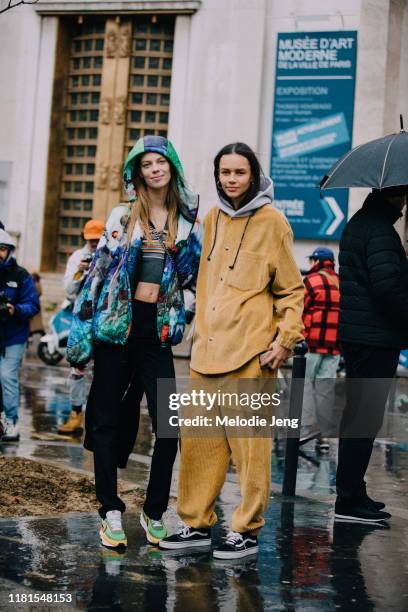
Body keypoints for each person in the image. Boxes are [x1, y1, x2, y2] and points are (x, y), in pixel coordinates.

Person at [160, 142, 304, 559]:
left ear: (254, 175)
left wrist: (283, 341)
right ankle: (196, 525)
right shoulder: (212, 218)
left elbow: (292, 291)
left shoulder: (274, 221)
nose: (232, 179)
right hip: (206, 351)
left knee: (250, 449)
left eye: (240, 172)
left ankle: (246, 529)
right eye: (225, 172)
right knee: (200, 445)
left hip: (251, 353)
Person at [67, 135, 201, 549]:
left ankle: (154, 510)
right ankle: (109, 510)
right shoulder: (122, 217)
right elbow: (100, 274)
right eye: (147, 164)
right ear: (137, 173)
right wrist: (82, 330)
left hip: (156, 335)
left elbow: (193, 277)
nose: (155, 169)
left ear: (172, 167)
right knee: (104, 422)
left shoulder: (187, 220)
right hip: (116, 330)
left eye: (161, 162)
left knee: (168, 427)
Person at [335, 186, 408, 523]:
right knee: (364, 417)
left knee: (359, 416)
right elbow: (387, 286)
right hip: (374, 337)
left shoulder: (360, 224)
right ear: (392, 197)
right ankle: (349, 499)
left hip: (360, 334)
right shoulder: (379, 231)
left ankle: (353, 491)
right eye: (403, 196)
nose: (405, 202)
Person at [58, 219, 104, 435]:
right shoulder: (77, 257)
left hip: (105, 320)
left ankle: (97, 419)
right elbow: (68, 289)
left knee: (102, 371)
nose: (94, 244)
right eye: (90, 240)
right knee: (77, 368)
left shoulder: (112, 254)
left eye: (97, 240)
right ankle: (76, 414)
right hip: (82, 321)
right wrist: (80, 271)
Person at [0, 229, 40, 441]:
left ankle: (12, 422)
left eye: (3, 249)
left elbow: (33, 305)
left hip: (13, 336)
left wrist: (15, 309)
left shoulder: (21, 275)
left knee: (6, 376)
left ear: (10, 251)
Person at [300, 247, 340, 452]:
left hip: (311, 345)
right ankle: (323, 437)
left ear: (316, 261)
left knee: (306, 385)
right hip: (334, 348)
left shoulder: (311, 281)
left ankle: (305, 429)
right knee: (325, 391)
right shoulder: (342, 283)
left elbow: (301, 310)